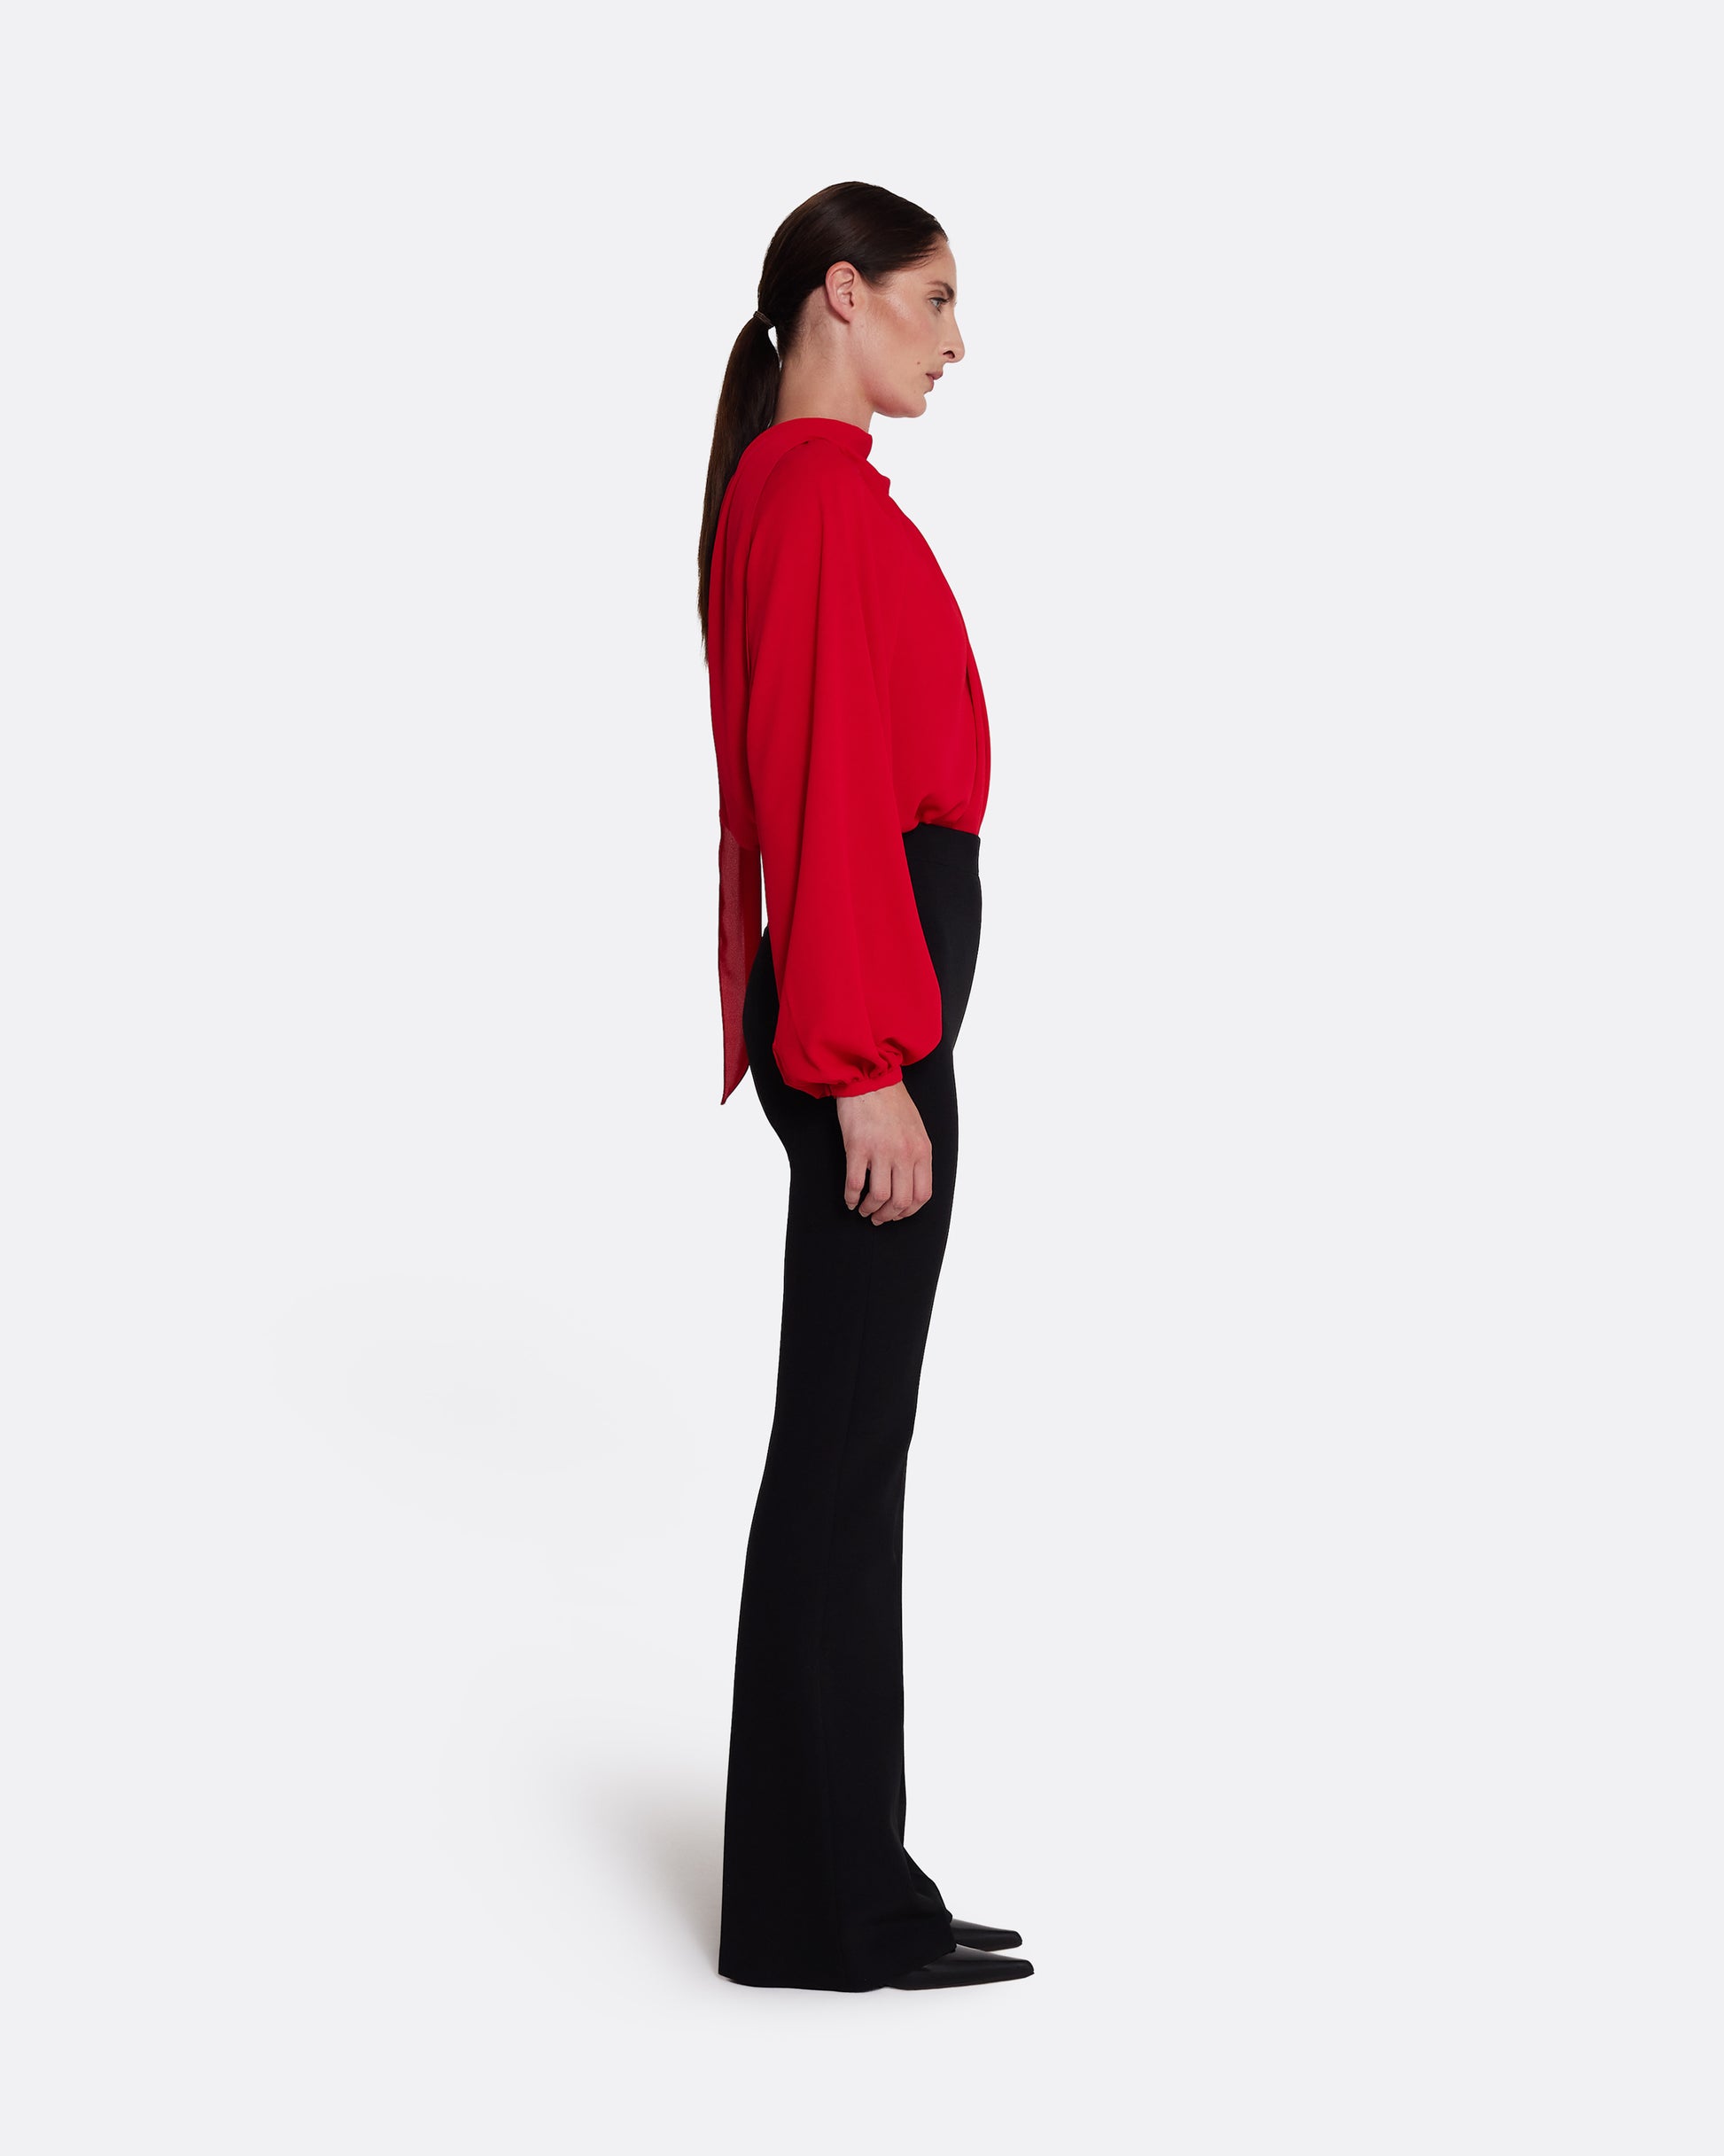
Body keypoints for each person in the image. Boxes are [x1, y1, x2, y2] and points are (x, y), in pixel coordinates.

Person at [696, 182, 1030, 1994]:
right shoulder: (814, 498)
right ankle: (833, 1908)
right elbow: (827, 789)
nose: (956, 340)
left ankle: (829, 1887)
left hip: (862, 998)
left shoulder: (791, 490)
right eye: (935, 298)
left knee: (842, 1452)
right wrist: (862, 1068)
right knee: (840, 1457)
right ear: (845, 294)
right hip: (864, 1017)